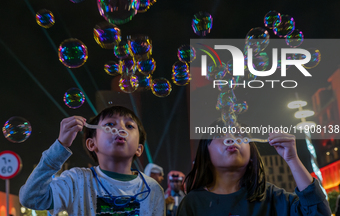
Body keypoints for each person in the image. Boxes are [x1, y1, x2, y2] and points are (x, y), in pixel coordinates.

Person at [19, 105, 165, 216]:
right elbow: (31, 197)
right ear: (91, 144)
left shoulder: (152, 188)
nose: (120, 128)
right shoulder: (77, 180)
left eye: (129, 126)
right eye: (110, 124)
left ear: (139, 148)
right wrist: (60, 146)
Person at [177, 120, 331, 216]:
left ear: (251, 155)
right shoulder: (193, 203)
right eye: (219, 135)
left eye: (240, 134)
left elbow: (318, 213)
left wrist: (292, 159)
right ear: (206, 152)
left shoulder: (272, 197)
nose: (231, 138)